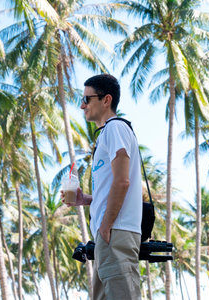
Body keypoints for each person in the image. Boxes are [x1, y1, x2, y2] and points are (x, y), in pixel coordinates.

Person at [62, 74, 142, 299]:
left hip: (114, 232)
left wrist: (106, 225)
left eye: (87, 99)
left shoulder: (115, 128)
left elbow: (122, 181)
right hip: (106, 237)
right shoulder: (107, 133)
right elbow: (113, 185)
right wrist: (86, 199)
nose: (82, 105)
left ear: (106, 100)